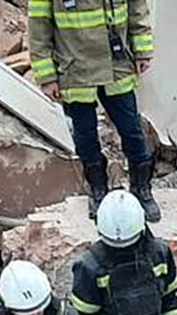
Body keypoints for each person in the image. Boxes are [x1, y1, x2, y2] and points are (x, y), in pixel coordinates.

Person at [27, 0, 159, 218]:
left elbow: (137, 8)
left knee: (132, 131)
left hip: (116, 67)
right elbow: (38, 31)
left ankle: (141, 190)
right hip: (75, 70)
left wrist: (142, 49)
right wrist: (47, 76)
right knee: (85, 136)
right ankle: (98, 191)